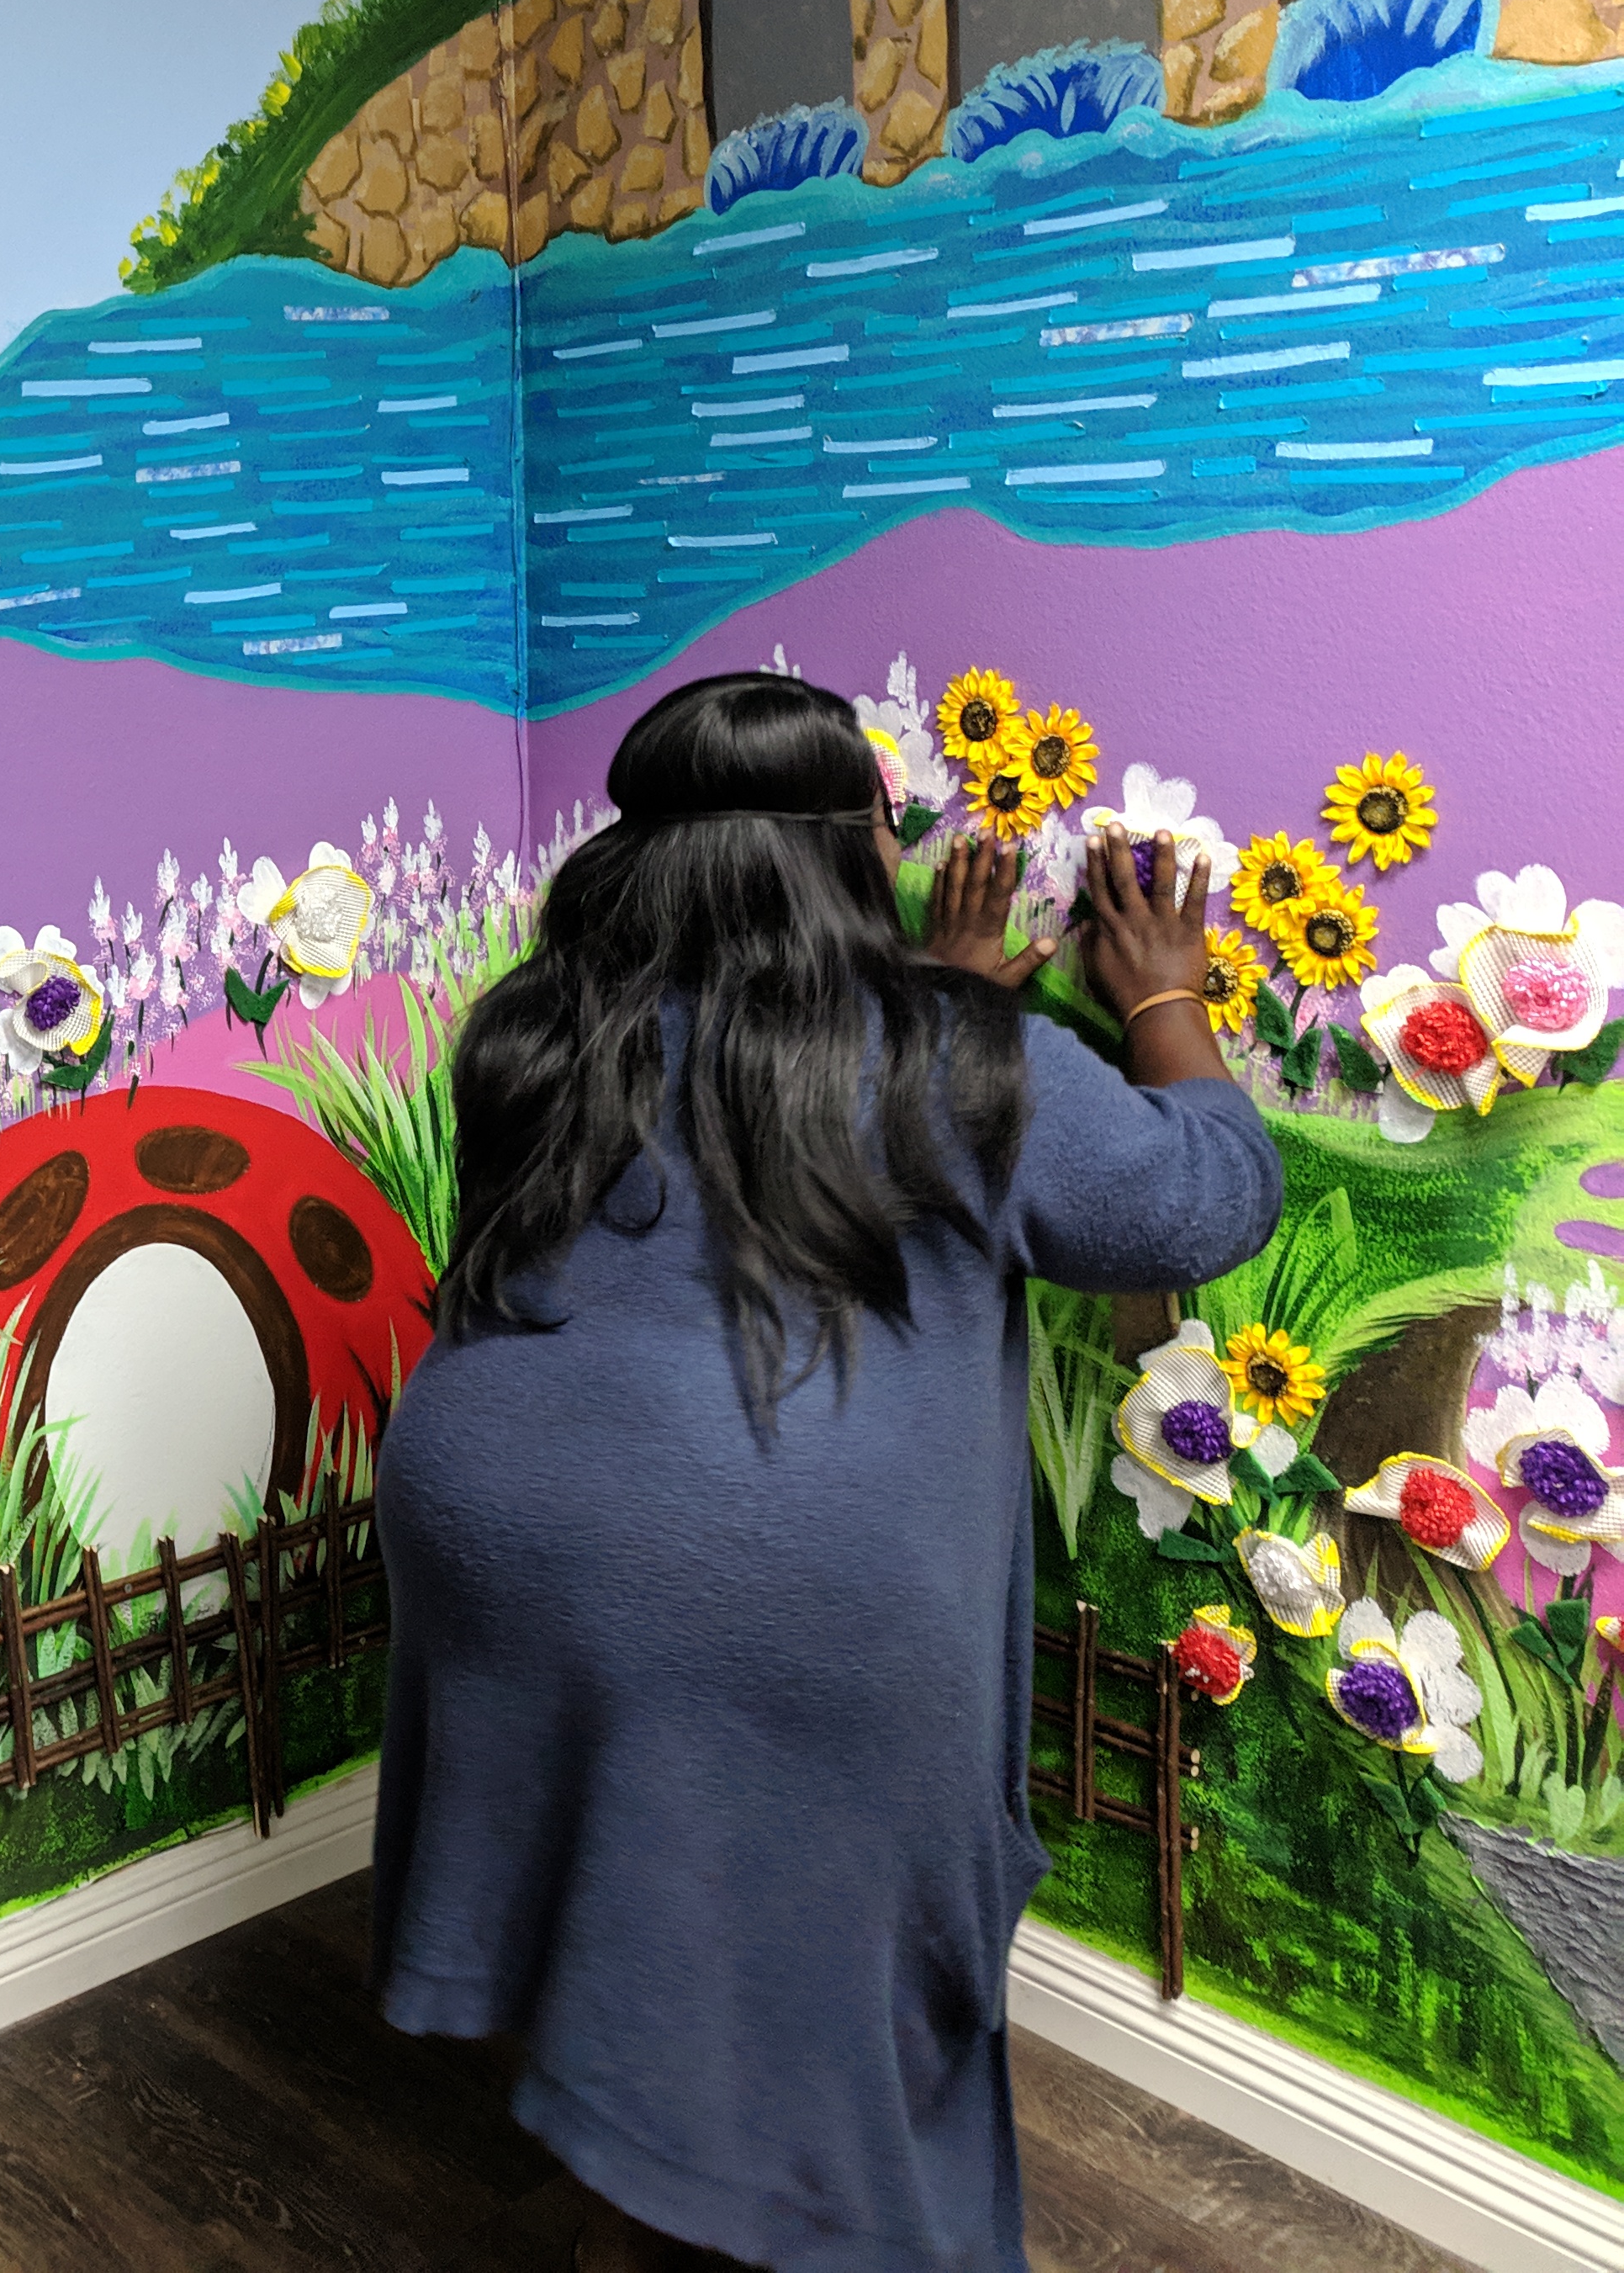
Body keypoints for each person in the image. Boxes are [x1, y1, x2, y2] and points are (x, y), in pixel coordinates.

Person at [368, 671, 1278, 2273]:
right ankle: (741, 2204)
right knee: (828, 1956)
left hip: (484, 1523)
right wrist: (1157, 1002)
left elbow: (752, 1123)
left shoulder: (533, 1028)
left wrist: (943, 1004)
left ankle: (629, 2167)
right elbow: (1200, 1203)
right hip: (746, 1570)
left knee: (615, 1864)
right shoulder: (957, 1058)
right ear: (856, 846)